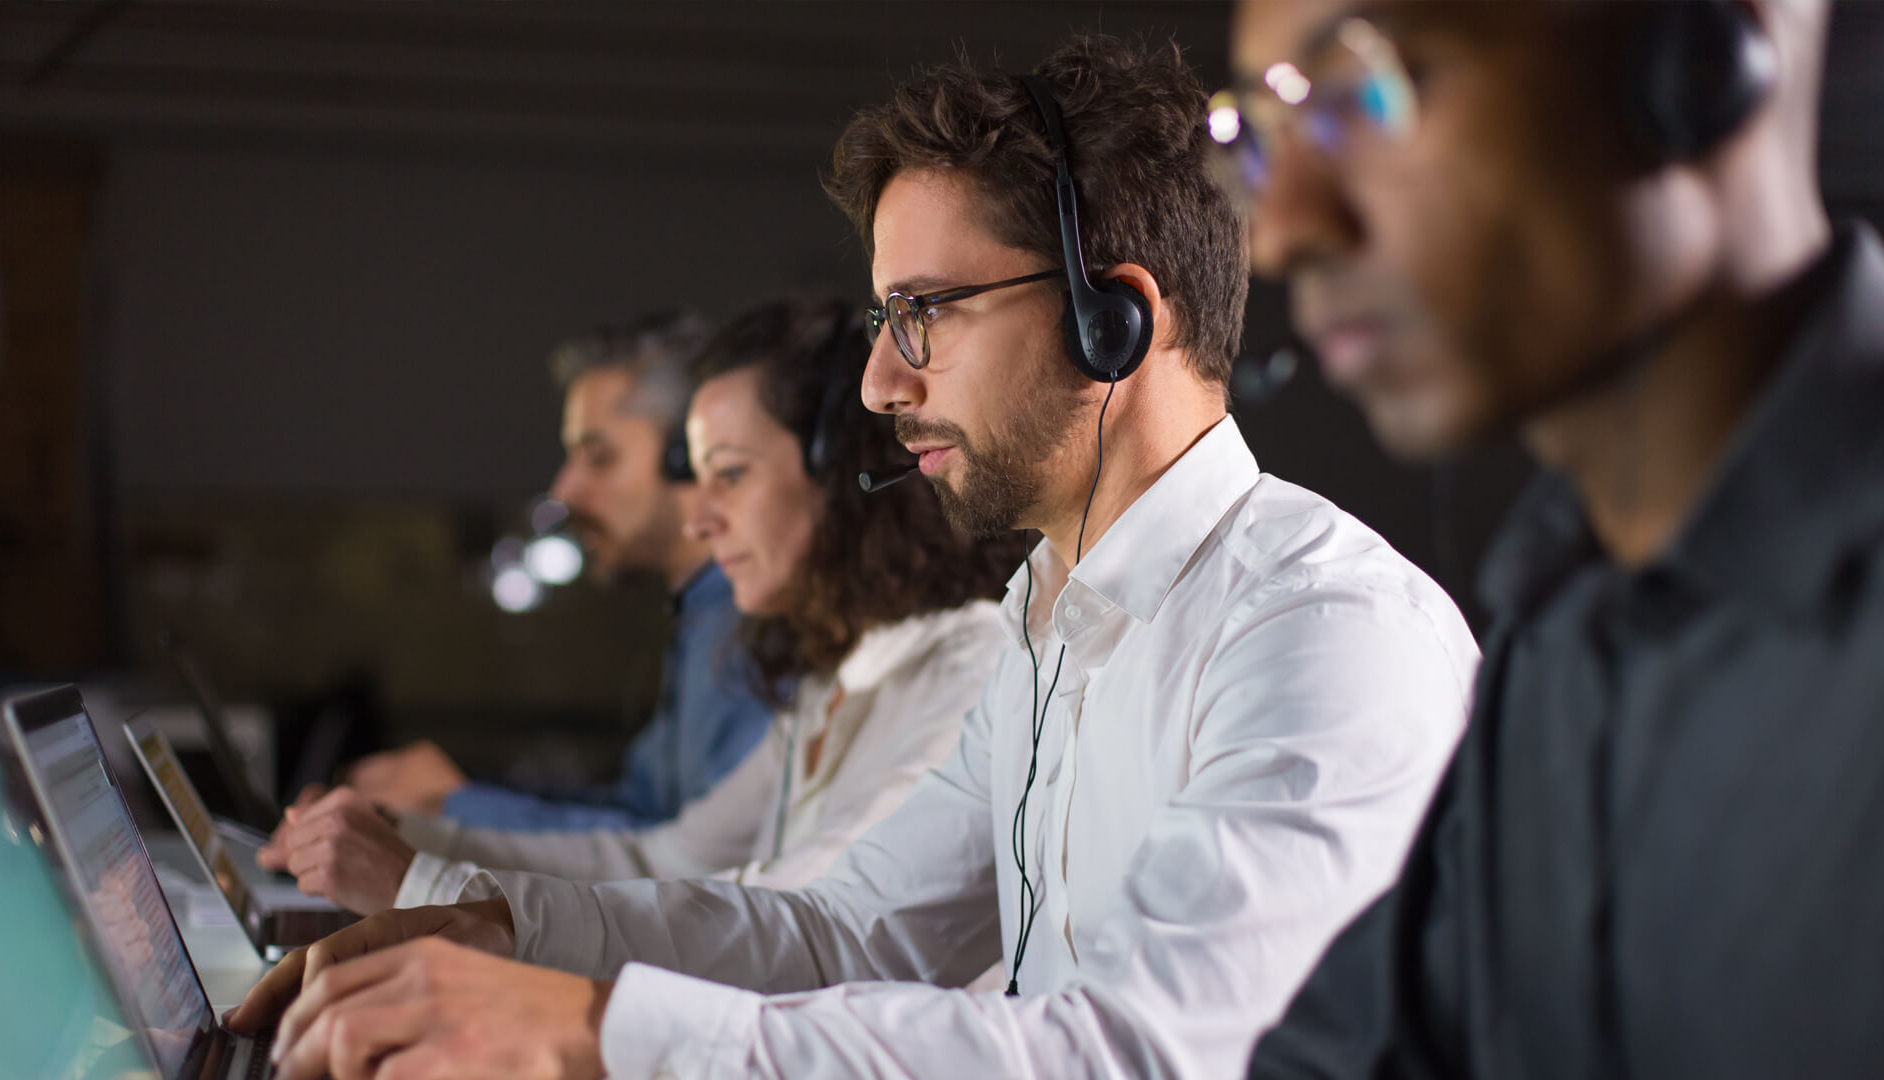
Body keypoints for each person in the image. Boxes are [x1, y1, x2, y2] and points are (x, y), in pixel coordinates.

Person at [226, 35, 1479, 1080]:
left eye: (924, 315)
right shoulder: (1049, 622)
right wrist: (498, 931)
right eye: (886, 323)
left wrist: (596, 1032)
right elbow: (842, 930)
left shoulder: (1322, 632)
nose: (882, 382)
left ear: (1115, 321)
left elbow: (1135, 1055)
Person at [1224, 1, 1884, 1076]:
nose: (1286, 224)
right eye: (1264, 128)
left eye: (1362, 84)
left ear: (1698, 61)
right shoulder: (1564, 637)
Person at [257, 298, 1022, 916]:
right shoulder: (834, 681)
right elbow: (664, 860)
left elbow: (810, 926)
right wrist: (412, 840)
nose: (699, 518)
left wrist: (427, 882)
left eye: (729, 475)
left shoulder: (968, 670)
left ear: (841, 473)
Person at [282, 311, 774, 836]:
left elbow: (696, 857)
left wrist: (458, 804)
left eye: (599, 457)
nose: (564, 491)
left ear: (688, 456)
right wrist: (455, 792)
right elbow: (642, 806)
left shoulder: (754, 622)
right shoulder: (701, 617)